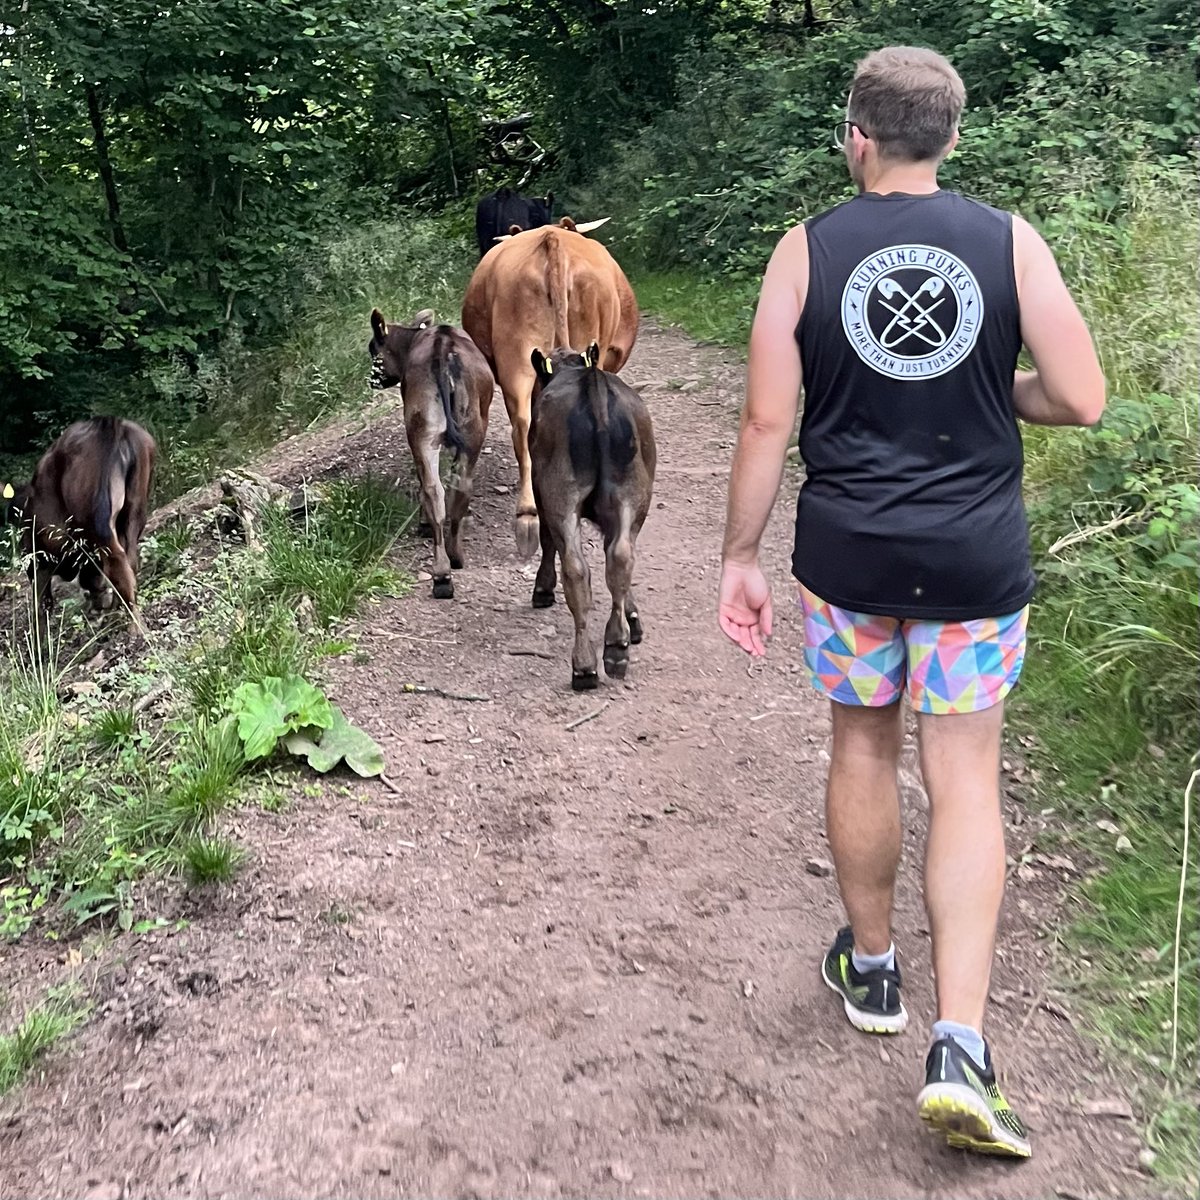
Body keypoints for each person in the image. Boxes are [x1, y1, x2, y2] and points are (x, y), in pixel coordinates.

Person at [717, 45, 1105, 1159]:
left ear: (858, 137)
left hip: (850, 562)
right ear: (950, 136)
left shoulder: (807, 250)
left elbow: (761, 425)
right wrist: (999, 390)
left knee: (860, 749)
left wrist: (739, 554)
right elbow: (1079, 397)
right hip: (978, 562)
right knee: (965, 775)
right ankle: (962, 1047)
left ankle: (875, 970)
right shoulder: (1008, 241)